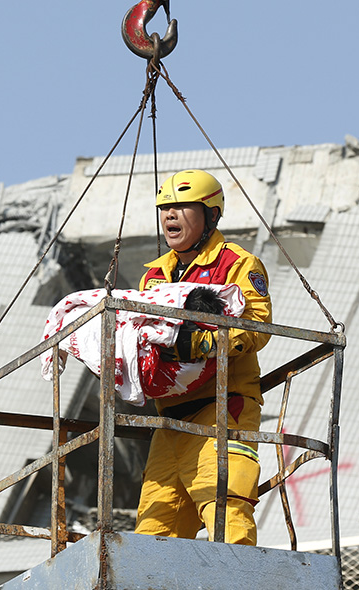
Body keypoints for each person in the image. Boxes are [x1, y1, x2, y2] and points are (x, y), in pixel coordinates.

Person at [134, 169, 272, 545]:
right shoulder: (154, 276)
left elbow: (257, 326)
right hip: (170, 423)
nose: (170, 214)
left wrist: (201, 344)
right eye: (165, 208)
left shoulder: (238, 264)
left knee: (226, 510)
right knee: (153, 532)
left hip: (223, 409)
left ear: (211, 214)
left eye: (182, 206)